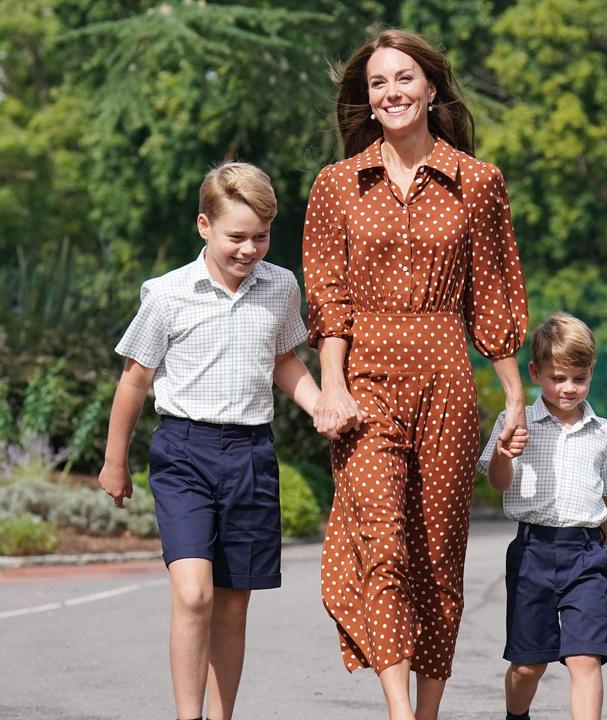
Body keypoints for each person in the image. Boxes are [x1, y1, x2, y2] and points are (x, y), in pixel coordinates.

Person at [302, 28, 529, 720]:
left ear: (430, 89)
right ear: (366, 101)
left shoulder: (479, 181)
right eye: (378, 83)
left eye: (404, 79)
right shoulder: (338, 184)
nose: (392, 92)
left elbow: (493, 295)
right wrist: (333, 386)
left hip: (446, 381)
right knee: (385, 542)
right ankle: (400, 711)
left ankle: (426, 712)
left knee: (437, 556)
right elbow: (328, 297)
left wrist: (515, 398)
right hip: (365, 380)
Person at [98, 161, 319, 720]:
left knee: (232, 606)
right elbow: (135, 379)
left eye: (261, 237)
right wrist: (114, 461)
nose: (250, 249)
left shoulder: (280, 286)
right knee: (194, 594)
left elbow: (284, 361)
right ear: (204, 226)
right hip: (184, 454)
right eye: (236, 237)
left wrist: (319, 404)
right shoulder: (168, 294)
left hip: (250, 454)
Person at [477, 312, 607, 720]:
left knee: (586, 659)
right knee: (529, 665)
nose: (568, 388)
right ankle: (516, 715)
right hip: (533, 553)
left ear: (591, 372)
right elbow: (497, 482)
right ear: (534, 372)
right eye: (557, 377)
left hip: (586, 555)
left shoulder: (604, 433)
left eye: (579, 378)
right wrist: (505, 454)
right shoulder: (514, 422)